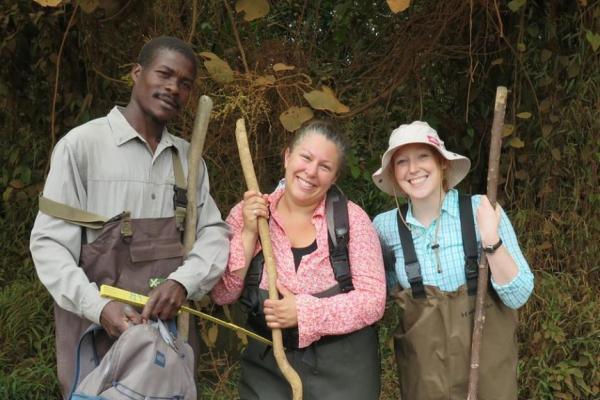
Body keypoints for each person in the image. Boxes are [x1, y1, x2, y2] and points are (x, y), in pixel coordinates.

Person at [29, 36, 230, 397]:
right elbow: (49, 246)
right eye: (164, 74)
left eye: (185, 84)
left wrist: (183, 283)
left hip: (166, 342)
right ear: (137, 73)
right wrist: (98, 306)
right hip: (93, 333)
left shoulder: (188, 160)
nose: (173, 88)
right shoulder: (81, 147)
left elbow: (214, 234)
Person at [211, 120, 386, 400]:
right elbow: (223, 293)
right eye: (305, 157)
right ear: (287, 157)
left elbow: (373, 301)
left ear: (334, 177)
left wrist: (304, 313)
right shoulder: (248, 214)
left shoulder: (351, 220)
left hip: (344, 372)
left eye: (325, 166)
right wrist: (247, 234)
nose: (311, 172)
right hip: (268, 370)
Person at [372, 120, 534, 400]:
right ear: (393, 173)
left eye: (423, 156)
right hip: (425, 377)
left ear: (442, 163)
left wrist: (491, 240)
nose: (413, 169)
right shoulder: (385, 227)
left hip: (487, 373)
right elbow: (374, 299)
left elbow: (518, 295)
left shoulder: (481, 209)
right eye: (402, 162)